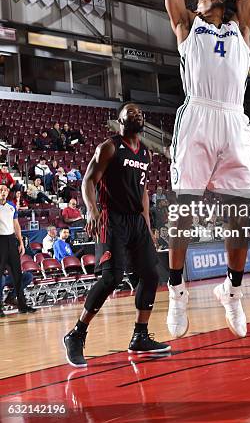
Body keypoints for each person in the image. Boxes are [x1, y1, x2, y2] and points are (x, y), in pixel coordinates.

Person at [160, 0, 250, 339]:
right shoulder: (187, 27)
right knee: (184, 213)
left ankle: (232, 293)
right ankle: (176, 291)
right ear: (198, 9)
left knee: (240, 219)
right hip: (198, 115)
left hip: (234, 120)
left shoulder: (241, 31)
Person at [63, 102, 170, 368]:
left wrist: (147, 224)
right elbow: (88, 180)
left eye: (140, 113)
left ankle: (140, 335)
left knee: (151, 274)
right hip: (113, 219)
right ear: (120, 121)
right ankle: (76, 334)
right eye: (131, 113)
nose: (137, 115)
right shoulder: (109, 147)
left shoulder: (146, 152)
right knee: (112, 278)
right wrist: (91, 209)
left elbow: (143, 191)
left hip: (136, 221)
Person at [0, 184, 35, 315]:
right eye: (0, 190)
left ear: (8, 192)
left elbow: (16, 225)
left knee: (18, 275)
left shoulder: (11, 206)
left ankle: (22, 305)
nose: (2, 192)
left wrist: (20, 242)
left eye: (4, 190)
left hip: (11, 241)